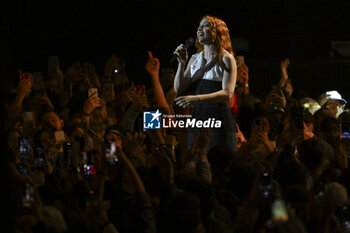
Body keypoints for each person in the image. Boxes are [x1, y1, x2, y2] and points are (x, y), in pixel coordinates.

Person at [173, 15, 237, 153]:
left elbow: (227, 93)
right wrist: (182, 63)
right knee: (195, 156)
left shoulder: (226, 58)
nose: (200, 29)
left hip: (218, 116)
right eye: (199, 26)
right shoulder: (195, 58)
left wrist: (196, 98)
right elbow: (178, 88)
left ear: (217, 31)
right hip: (199, 115)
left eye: (205, 25)